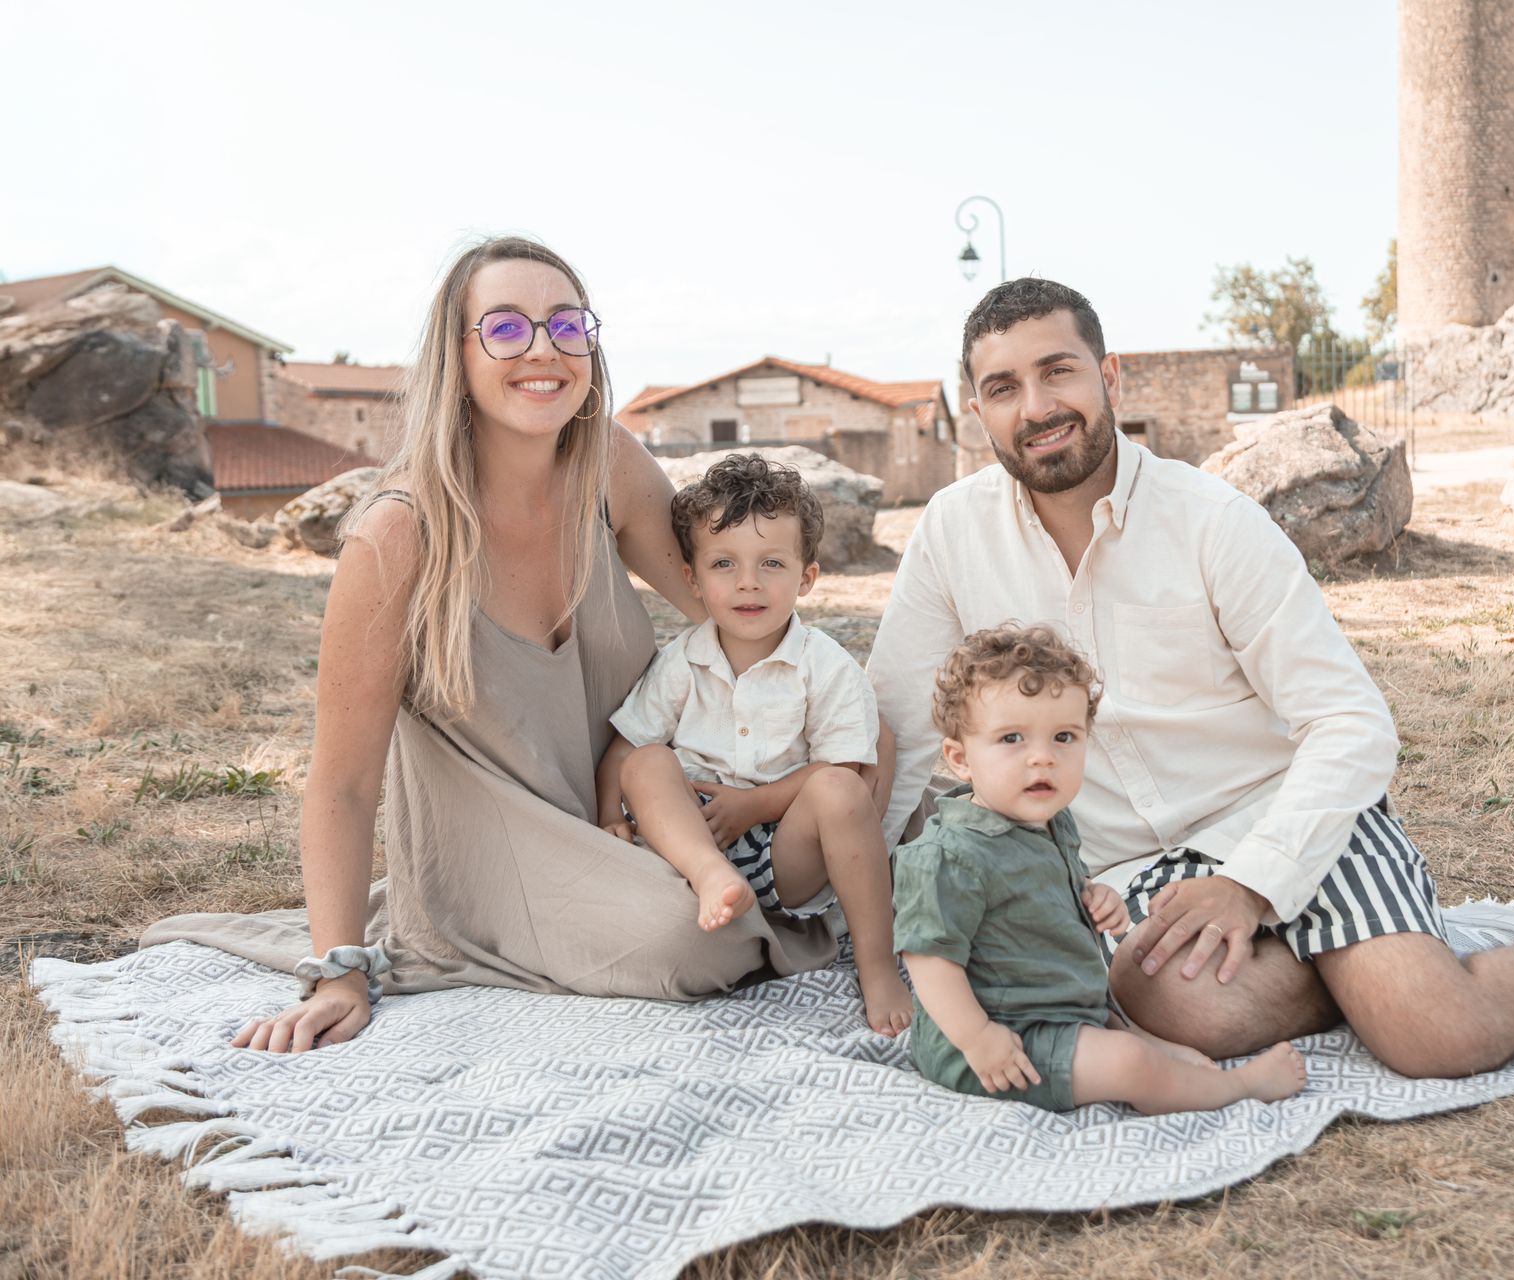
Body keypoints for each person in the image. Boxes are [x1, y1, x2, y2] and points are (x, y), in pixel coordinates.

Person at [866, 277, 1514, 1079]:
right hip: (1122, 867)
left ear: (1108, 376)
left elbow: (1351, 725)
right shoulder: (953, 533)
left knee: (1438, 1038)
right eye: (1001, 387)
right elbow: (900, 727)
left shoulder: (1211, 520)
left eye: (1056, 371)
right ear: (977, 408)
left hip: (1284, 814)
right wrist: (858, 909)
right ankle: (1394, 954)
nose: (1035, 408)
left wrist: (1254, 885)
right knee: (1179, 1009)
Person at [159, 236, 840, 1055]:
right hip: (492, 867)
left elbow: (735, 606)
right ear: (458, 353)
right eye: (508, 330)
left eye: (567, 326)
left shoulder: (607, 465)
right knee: (686, 939)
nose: (544, 351)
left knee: (874, 813)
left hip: (630, 820)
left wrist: (790, 762)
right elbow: (341, 782)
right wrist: (338, 969)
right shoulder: (396, 537)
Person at [893, 624, 1306, 1113]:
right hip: (999, 1040)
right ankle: (1239, 1088)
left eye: (1064, 736)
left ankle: (1147, 1053)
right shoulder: (948, 855)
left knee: (1132, 1040)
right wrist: (979, 1037)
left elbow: (1037, 893)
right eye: (1011, 739)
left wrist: (1092, 897)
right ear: (960, 759)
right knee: (1131, 1062)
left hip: (1063, 1010)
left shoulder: (1049, 822)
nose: (1042, 757)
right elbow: (928, 959)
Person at [594, 454, 913, 1035]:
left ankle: (875, 961)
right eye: (724, 564)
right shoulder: (681, 660)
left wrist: (754, 806)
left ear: (806, 577)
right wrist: (607, 816)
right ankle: (712, 877)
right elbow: (623, 748)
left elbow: (845, 769)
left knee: (840, 785)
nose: (748, 582)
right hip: (692, 837)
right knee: (644, 760)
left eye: (771, 563)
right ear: (692, 579)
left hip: (784, 855)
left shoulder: (825, 665)